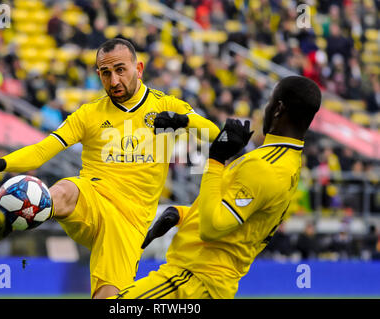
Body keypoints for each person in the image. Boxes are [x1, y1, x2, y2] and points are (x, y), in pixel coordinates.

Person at [0, 38, 220, 299]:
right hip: (92, 196)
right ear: (98, 74)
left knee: (109, 298)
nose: (113, 81)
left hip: (129, 222)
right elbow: (43, 150)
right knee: (67, 188)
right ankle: (8, 222)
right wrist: (2, 163)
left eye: (120, 70)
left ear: (139, 68)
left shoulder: (165, 106)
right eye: (105, 73)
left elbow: (213, 133)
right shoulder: (88, 114)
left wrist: (182, 121)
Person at [112, 75, 322, 299]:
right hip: (206, 283)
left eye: (270, 101)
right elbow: (240, 224)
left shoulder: (267, 167)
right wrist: (184, 214)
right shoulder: (284, 163)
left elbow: (212, 227)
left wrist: (215, 160)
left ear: (278, 109)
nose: (266, 108)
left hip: (193, 280)